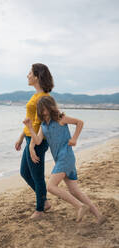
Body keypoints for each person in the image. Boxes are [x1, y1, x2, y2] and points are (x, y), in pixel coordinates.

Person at [23, 96, 106, 224]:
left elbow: (80, 122)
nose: (43, 109)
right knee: (74, 190)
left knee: (50, 186)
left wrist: (74, 139)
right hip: (61, 160)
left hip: (66, 157)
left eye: (45, 105)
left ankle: (80, 206)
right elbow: (38, 140)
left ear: (50, 106)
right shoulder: (43, 125)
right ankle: (99, 216)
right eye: (41, 107)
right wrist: (29, 127)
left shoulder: (61, 118)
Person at [15, 63, 53, 220]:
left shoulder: (44, 98)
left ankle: (40, 210)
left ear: (37, 76)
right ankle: (44, 201)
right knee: (24, 172)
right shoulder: (35, 96)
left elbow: (41, 125)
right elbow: (30, 121)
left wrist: (32, 145)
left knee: (37, 177)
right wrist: (21, 137)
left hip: (37, 140)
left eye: (30, 73)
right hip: (30, 137)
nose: (27, 76)